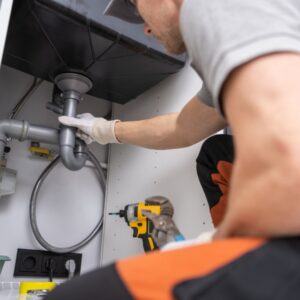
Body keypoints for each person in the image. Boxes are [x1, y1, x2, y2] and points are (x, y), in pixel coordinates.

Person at [46, 0, 300, 299]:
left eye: (138, 8)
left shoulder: (213, 7)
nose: (146, 28)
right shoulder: (246, 31)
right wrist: (103, 131)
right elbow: (182, 128)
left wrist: (212, 247)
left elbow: (287, 158)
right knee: (216, 154)